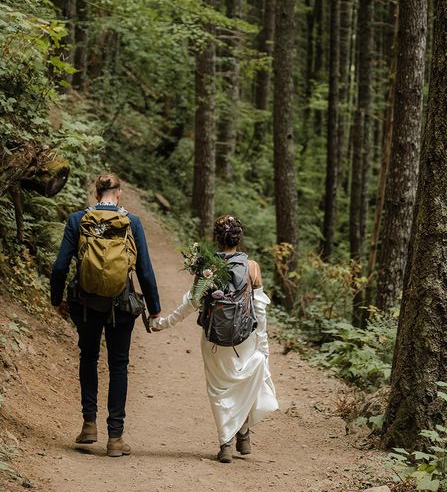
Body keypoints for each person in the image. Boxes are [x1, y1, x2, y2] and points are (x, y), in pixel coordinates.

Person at [150, 214, 278, 463]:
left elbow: (192, 302)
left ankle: (226, 444)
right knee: (245, 382)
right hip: (245, 337)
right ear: (239, 239)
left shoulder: (207, 268)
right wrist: (263, 345)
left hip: (213, 339)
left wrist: (163, 323)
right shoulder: (251, 267)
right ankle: (243, 432)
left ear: (216, 239)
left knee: (219, 391)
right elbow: (260, 310)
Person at [50, 173, 161, 457]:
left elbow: (61, 266)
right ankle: (115, 437)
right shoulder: (132, 223)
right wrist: (154, 308)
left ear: (95, 192)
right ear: (119, 193)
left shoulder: (78, 220)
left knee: (88, 357)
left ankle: (89, 424)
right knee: (119, 365)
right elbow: (145, 271)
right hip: (121, 304)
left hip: (85, 303)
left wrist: (56, 299)